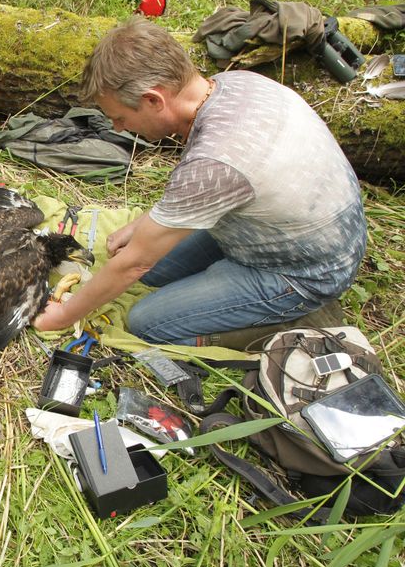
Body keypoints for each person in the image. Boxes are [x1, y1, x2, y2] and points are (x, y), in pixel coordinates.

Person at [34, 17, 365, 349]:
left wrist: (61, 316)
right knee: (155, 272)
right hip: (284, 227)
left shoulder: (215, 160)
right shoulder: (235, 83)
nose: (118, 129)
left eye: (120, 117)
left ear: (153, 100)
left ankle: (288, 322)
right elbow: (215, 189)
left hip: (303, 270)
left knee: (147, 322)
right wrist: (144, 225)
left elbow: (134, 263)